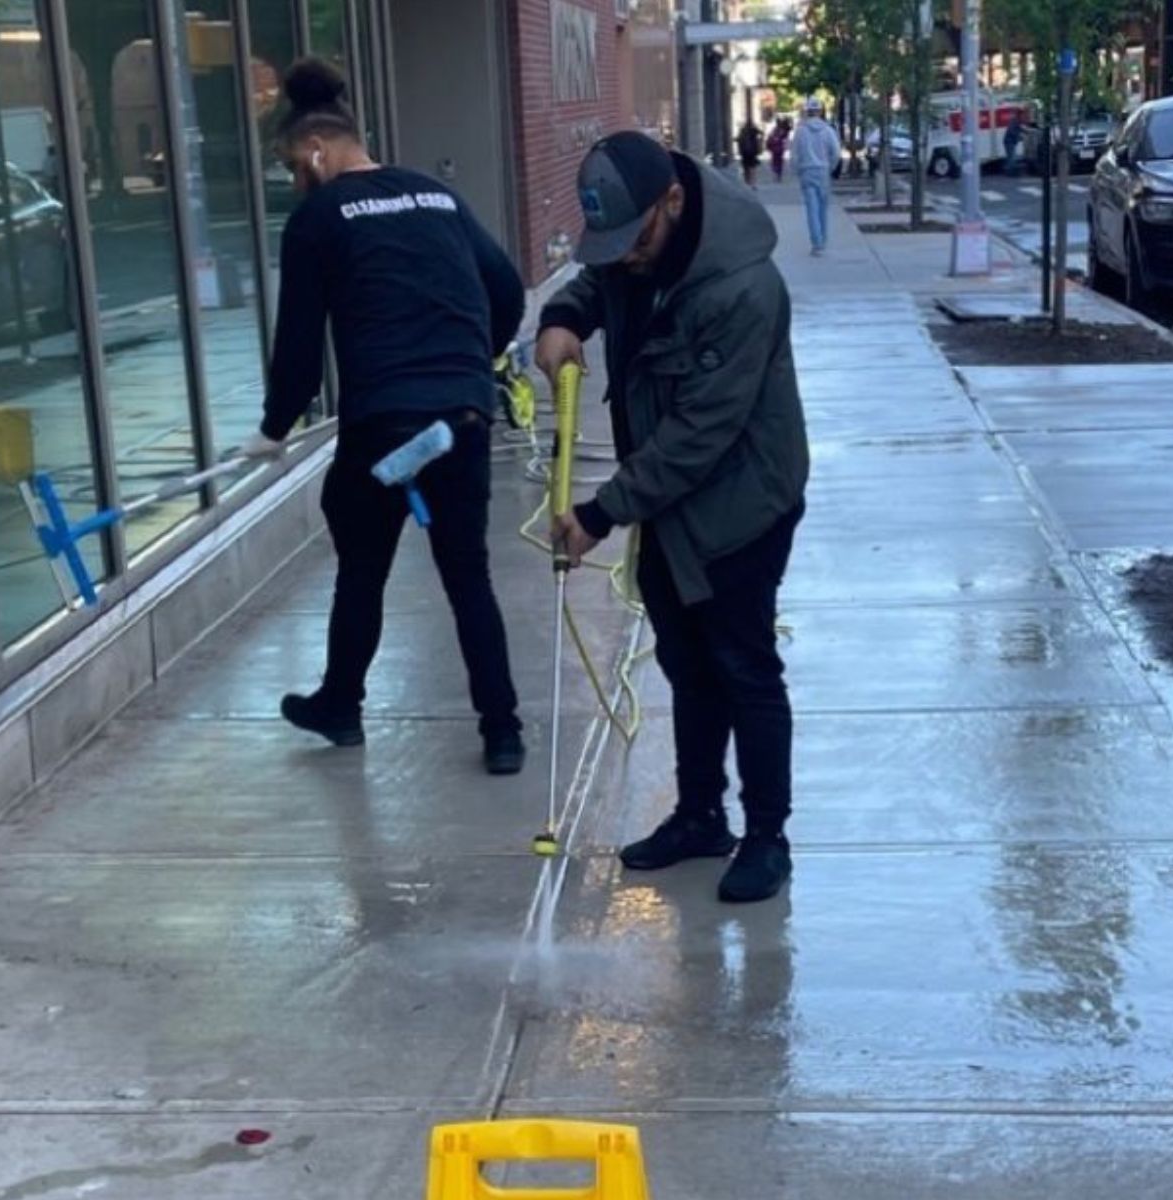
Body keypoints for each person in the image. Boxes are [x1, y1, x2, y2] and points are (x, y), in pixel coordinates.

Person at [534, 131, 811, 904]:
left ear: (674, 202)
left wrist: (601, 511)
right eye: (611, 243)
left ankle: (766, 837)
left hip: (743, 498)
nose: (624, 256)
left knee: (742, 664)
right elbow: (599, 283)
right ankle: (699, 817)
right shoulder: (640, 252)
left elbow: (701, 434)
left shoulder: (743, 289)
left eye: (634, 238)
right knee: (685, 663)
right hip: (670, 497)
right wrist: (561, 316)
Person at [244, 59, 528, 775]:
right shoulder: (436, 197)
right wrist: (472, 363)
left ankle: (341, 706)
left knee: (362, 568)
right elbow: (505, 291)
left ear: (315, 151)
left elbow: (300, 342)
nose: (293, 180)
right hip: (460, 417)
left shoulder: (318, 218)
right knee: (468, 577)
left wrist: (275, 429)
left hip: (382, 425)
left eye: (291, 166)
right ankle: (502, 733)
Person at [790, 98, 844, 256]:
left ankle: (816, 243)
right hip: (823, 171)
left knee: (811, 209)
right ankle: (823, 239)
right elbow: (836, 153)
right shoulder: (828, 130)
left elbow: (794, 155)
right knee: (822, 209)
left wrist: (797, 170)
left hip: (807, 171)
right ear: (820, 111)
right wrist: (830, 167)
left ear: (807, 111)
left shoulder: (800, 131)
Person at [737, 119, 765, 186]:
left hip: (744, 153)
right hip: (752, 153)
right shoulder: (754, 130)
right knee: (752, 168)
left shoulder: (742, 130)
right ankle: (753, 183)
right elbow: (762, 133)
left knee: (746, 168)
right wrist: (760, 142)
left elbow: (739, 140)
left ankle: (747, 182)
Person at [767, 116, 791, 181]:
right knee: (779, 161)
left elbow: (770, 138)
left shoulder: (774, 130)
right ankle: (778, 174)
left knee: (775, 160)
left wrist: (769, 146)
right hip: (780, 148)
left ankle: (776, 172)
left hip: (775, 148)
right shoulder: (782, 130)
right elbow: (785, 138)